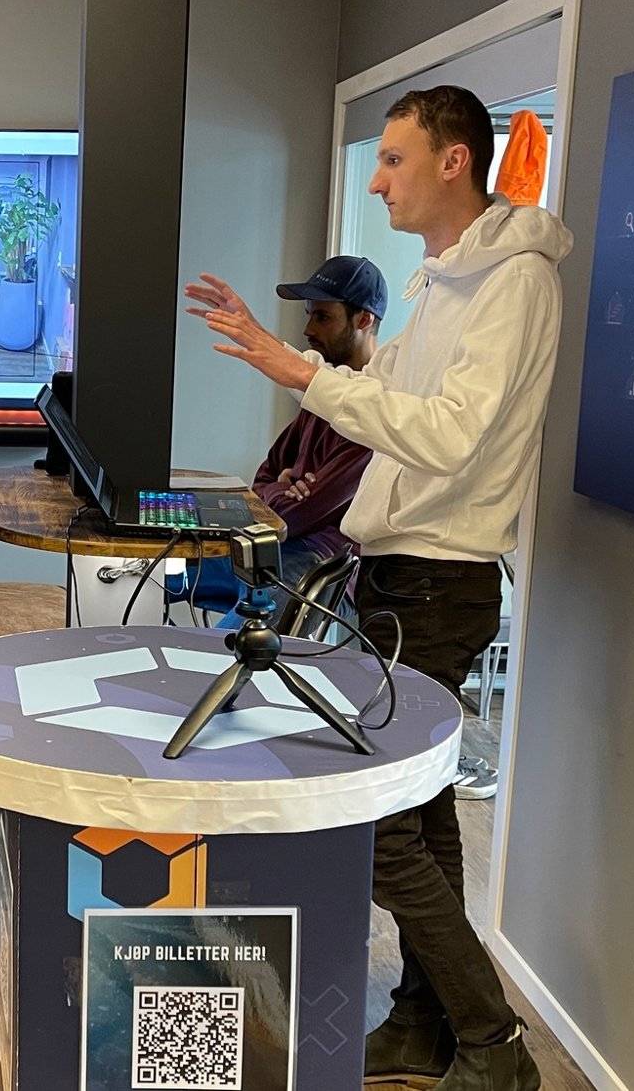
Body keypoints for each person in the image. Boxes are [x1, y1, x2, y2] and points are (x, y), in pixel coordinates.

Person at [187, 85, 571, 1091]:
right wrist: (293, 361)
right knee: (427, 819)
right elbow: (380, 397)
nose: (375, 179)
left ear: (452, 160)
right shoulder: (445, 276)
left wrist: (300, 372)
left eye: (392, 159)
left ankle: (493, 1044)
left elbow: (448, 434)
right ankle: (421, 1024)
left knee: (381, 824)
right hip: (399, 575)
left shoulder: (513, 283)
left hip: (440, 585)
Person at [182, 256, 382, 624]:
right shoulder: (318, 396)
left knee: (231, 650)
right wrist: (281, 489)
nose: (308, 329)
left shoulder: (373, 411)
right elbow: (262, 481)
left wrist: (282, 494)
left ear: (364, 320)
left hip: (318, 562)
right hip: (275, 547)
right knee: (152, 570)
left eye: (322, 317)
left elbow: (295, 516)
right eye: (309, 315)